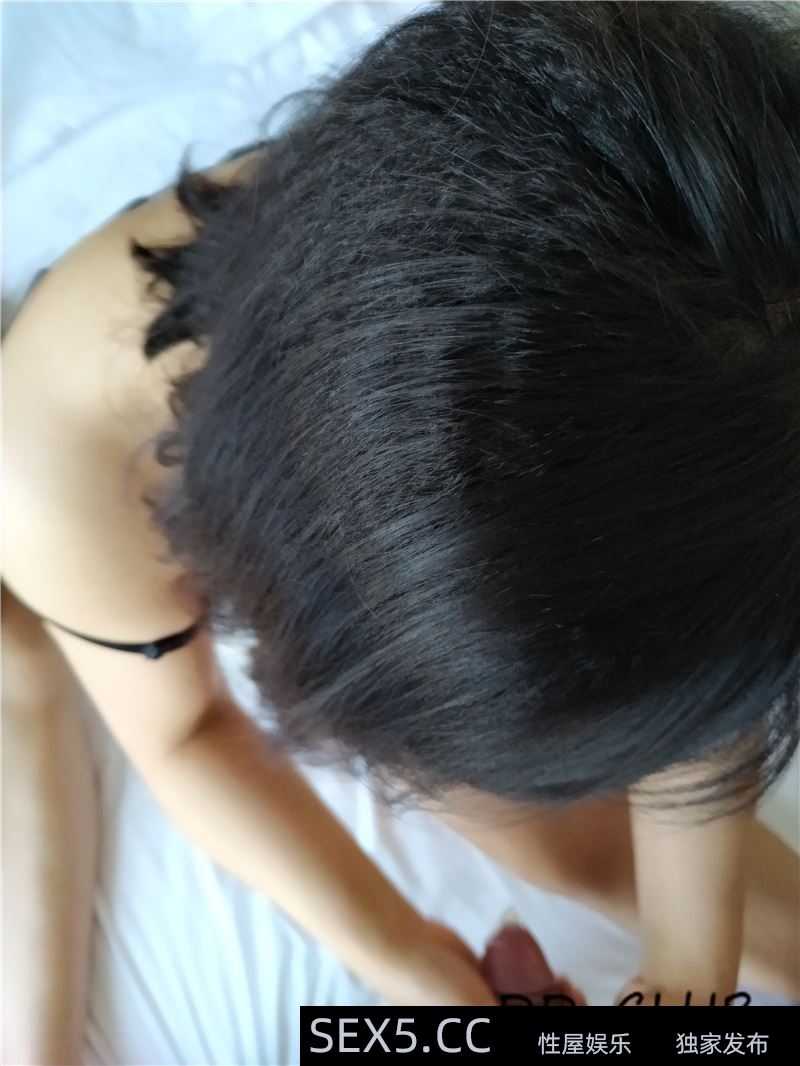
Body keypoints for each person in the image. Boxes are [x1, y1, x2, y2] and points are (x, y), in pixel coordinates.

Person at [3, 0, 799, 1060]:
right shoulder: (53, 454)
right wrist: (400, 954)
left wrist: (692, 971)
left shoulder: (734, 308)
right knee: (556, 846)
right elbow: (185, 735)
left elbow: (707, 587)